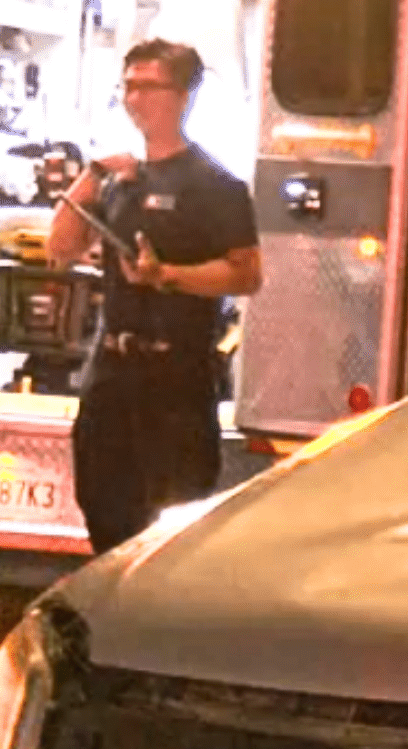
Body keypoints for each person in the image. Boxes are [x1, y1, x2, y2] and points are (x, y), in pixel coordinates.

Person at [52, 38, 262, 552]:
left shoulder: (217, 185)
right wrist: (93, 174)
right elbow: (59, 250)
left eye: (150, 86)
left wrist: (167, 275)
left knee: (169, 531)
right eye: (129, 86)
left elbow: (246, 275)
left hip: (175, 381)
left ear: (186, 95)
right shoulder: (119, 179)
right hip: (112, 374)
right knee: (103, 513)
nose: (136, 98)